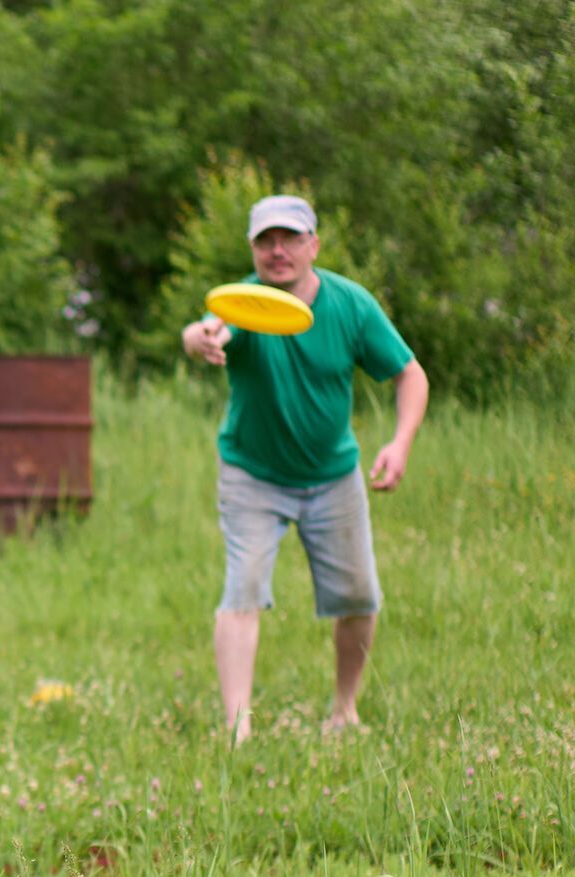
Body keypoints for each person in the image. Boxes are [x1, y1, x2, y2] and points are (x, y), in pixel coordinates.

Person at [182, 194, 428, 741]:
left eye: (290, 238)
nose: (278, 251)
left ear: (312, 244)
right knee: (242, 590)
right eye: (266, 240)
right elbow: (204, 331)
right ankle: (236, 729)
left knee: (360, 597)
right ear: (252, 248)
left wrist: (401, 443)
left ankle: (344, 712)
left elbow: (410, 375)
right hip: (252, 475)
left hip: (332, 477)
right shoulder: (242, 304)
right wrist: (201, 339)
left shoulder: (350, 305)